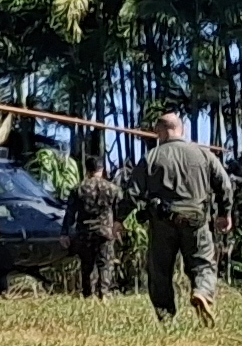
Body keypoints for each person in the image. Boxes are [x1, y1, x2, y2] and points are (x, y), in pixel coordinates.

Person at [138, 114, 233, 327]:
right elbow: (224, 185)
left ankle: (165, 316)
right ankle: (202, 292)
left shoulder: (152, 157)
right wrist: (224, 213)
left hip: (163, 220)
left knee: (160, 270)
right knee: (203, 263)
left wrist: (118, 219)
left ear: (161, 131)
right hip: (196, 219)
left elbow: (132, 190)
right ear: (181, 130)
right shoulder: (203, 154)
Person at [66, 163, 129, 298]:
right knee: (105, 263)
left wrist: (64, 233)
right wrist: (118, 224)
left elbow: (70, 213)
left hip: (85, 231)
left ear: (87, 170)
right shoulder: (113, 189)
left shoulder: (78, 189)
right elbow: (120, 210)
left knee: (87, 264)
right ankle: (104, 292)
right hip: (105, 231)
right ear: (102, 170)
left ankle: (89, 294)